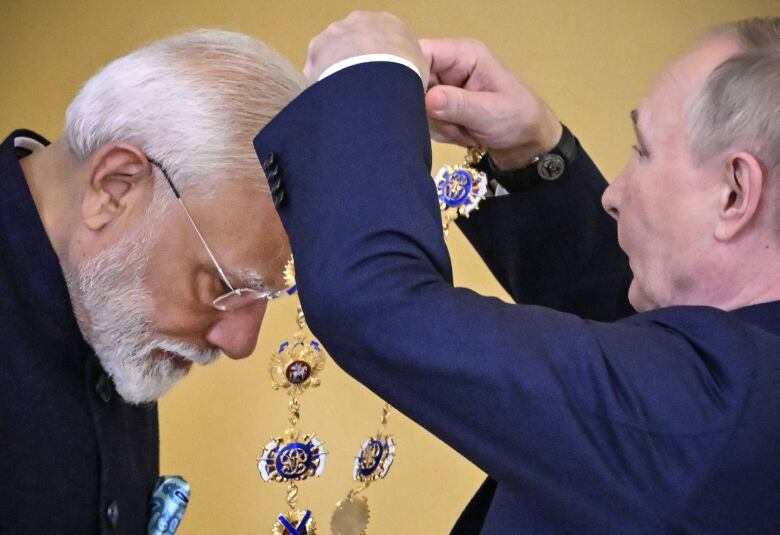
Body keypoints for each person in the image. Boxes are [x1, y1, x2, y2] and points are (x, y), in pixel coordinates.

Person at [254, 11, 780, 533]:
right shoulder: (736, 392)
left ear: (735, 192)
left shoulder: (719, 414)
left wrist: (367, 74)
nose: (612, 195)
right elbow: (628, 359)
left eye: (642, 151)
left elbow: (374, 302)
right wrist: (528, 154)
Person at [0, 30, 303, 533]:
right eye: (222, 286)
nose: (240, 343)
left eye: (266, 296)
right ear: (114, 188)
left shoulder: (101, 297)